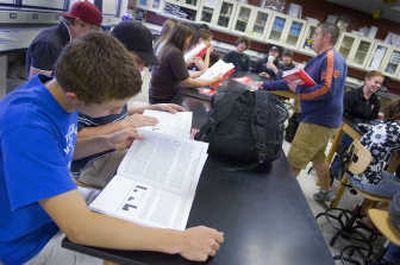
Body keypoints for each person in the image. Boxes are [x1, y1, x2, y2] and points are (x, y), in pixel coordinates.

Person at [0, 32, 223, 265]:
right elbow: (80, 229)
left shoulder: (56, 95)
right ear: (75, 97)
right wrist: (180, 241)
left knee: (143, 220)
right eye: (110, 109)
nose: (117, 113)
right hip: (26, 243)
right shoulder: (27, 124)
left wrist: (106, 141)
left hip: (49, 214)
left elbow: (56, 152)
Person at [71, 21, 185, 187]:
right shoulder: (90, 82)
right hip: (90, 169)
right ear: (116, 50)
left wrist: (150, 108)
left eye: (143, 64)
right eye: (137, 61)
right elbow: (68, 138)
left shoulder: (116, 80)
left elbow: (116, 111)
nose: (140, 69)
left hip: (114, 150)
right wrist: (122, 125)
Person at [262, 23, 347, 199]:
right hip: (322, 119)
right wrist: (267, 85)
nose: (312, 38)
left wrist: (299, 91)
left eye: (316, 34)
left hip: (319, 120)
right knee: (317, 156)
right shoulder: (319, 59)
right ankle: (326, 191)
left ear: (326, 37)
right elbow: (293, 82)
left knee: (294, 160)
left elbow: (326, 89)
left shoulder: (331, 58)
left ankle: (276, 198)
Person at [25, 0, 102, 78]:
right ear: (78, 22)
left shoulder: (69, 40)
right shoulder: (48, 44)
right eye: (92, 29)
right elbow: (38, 85)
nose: (93, 35)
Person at [150, 23, 221, 104]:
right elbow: (187, 82)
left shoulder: (167, 47)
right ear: (182, 38)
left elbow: (182, 75)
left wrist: (201, 73)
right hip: (164, 97)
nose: (189, 42)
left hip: (157, 93)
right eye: (189, 39)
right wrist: (211, 81)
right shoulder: (175, 53)